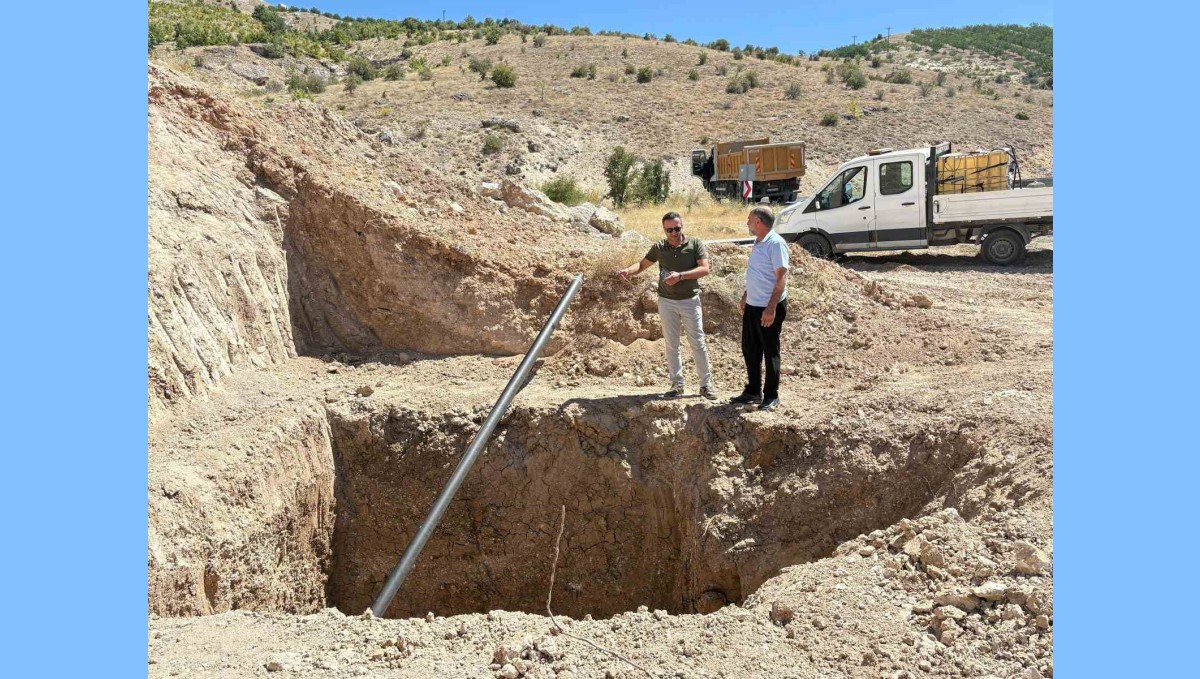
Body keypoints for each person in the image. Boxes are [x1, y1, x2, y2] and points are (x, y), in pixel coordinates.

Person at [616, 212, 717, 399]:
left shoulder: (694, 244)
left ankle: (706, 385)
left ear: (682, 226)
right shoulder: (659, 247)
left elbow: (705, 269)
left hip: (689, 301)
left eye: (677, 228)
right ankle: (677, 384)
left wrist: (680, 276)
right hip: (667, 302)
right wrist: (628, 271)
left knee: (698, 343)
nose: (673, 233)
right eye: (669, 230)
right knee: (672, 344)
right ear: (664, 230)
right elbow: (642, 264)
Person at [731, 206, 789, 411]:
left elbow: (781, 276)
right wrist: (746, 295)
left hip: (768, 306)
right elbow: (758, 273)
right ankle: (753, 391)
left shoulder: (775, 244)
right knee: (750, 347)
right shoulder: (759, 242)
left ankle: (771, 395)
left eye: (749, 218)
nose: (746, 221)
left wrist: (771, 308)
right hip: (753, 305)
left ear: (758, 222)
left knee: (770, 349)